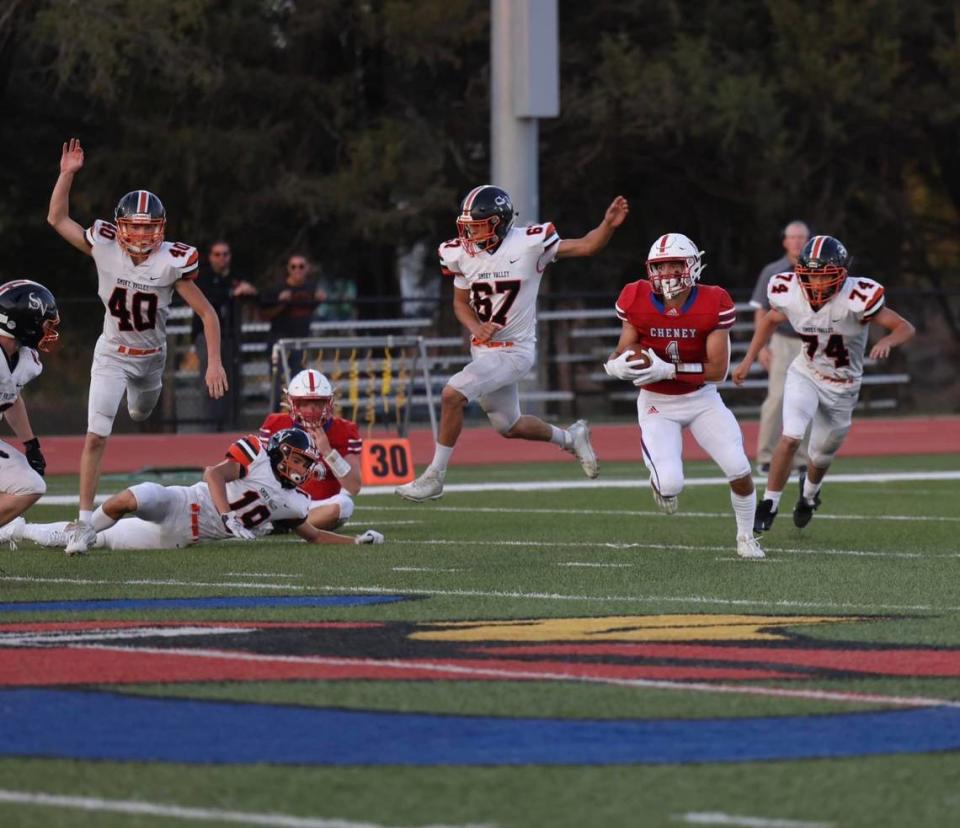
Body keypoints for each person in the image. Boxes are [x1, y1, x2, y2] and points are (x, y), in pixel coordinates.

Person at [46, 138, 228, 555]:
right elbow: (57, 219)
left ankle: (137, 404)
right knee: (96, 435)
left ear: (160, 229)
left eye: (150, 227)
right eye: (136, 226)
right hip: (111, 354)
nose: (143, 234)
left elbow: (209, 315)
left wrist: (213, 362)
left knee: (140, 411)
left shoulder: (172, 261)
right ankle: (84, 523)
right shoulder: (105, 245)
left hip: (151, 362)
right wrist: (67, 174)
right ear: (121, 226)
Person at [396, 186, 630, 502]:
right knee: (510, 426)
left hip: (515, 351)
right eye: (467, 226)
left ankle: (434, 476)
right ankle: (571, 438)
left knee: (452, 394)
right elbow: (460, 304)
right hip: (484, 350)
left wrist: (607, 226)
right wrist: (477, 327)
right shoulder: (460, 253)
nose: (470, 233)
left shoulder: (531, 242)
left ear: (500, 221)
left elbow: (588, 246)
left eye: (478, 225)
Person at [733, 235, 915, 531]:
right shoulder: (789, 291)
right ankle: (769, 503)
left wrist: (889, 341)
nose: (816, 285)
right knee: (790, 436)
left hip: (843, 387)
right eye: (811, 277)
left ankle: (808, 495)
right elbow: (768, 320)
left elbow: (905, 326)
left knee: (820, 456)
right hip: (805, 373)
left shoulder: (857, 297)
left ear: (842, 275)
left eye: (824, 277)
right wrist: (747, 359)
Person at [603, 233, 765, 560]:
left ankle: (746, 537)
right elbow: (624, 348)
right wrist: (615, 365)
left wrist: (670, 370)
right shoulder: (635, 297)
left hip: (701, 398)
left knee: (738, 466)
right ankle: (660, 481)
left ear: (692, 266)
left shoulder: (713, 301)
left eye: (674, 265)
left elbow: (718, 370)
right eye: (659, 267)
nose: (666, 274)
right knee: (671, 485)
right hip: (657, 403)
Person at [12, 428, 384, 553]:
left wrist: (355, 543)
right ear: (282, 452)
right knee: (133, 496)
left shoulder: (294, 500)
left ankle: (18, 529)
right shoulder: (254, 453)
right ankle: (84, 529)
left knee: (102, 542)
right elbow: (213, 474)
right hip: (182, 502)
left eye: (306, 462)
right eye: (300, 460)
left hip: (180, 538)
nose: (304, 468)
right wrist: (227, 515)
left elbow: (314, 537)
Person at [259, 369, 362, 530]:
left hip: (316, 506)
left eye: (318, 403)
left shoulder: (344, 431)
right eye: (304, 403)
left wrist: (327, 451)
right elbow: (258, 472)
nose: (312, 410)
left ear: (329, 403)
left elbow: (353, 486)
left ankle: (284, 526)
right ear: (292, 403)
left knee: (345, 504)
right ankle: (286, 523)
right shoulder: (276, 425)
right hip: (280, 501)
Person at [0, 281, 60, 547]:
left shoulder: (22, 358)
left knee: (30, 484)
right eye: (45, 323)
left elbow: (10, 398)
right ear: (23, 321)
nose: (49, 330)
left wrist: (31, 445)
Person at [749, 220, 811, 472]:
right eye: (792, 237)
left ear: (808, 241)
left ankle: (803, 459)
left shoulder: (819, 270)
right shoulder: (773, 271)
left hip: (810, 340)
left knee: (809, 400)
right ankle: (766, 456)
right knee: (777, 397)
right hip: (783, 340)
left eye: (802, 237)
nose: (797, 241)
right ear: (784, 241)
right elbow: (760, 309)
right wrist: (762, 346)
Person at [191, 240, 258, 430]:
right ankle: (210, 426)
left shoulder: (236, 277)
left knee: (233, 380)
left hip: (231, 336)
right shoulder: (201, 277)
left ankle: (231, 424)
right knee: (210, 379)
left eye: (225, 254)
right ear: (210, 257)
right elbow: (209, 300)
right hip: (207, 337)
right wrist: (232, 293)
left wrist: (249, 292)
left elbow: (255, 298)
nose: (222, 259)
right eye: (217, 254)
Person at [261, 254, 325, 403]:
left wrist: (318, 301)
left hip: (300, 340)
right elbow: (264, 313)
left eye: (301, 266)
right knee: (277, 381)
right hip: (280, 339)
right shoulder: (278, 289)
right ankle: (277, 413)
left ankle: (297, 415)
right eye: (293, 266)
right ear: (288, 269)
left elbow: (309, 309)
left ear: (307, 268)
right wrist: (281, 303)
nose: (297, 270)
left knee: (300, 381)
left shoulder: (311, 288)